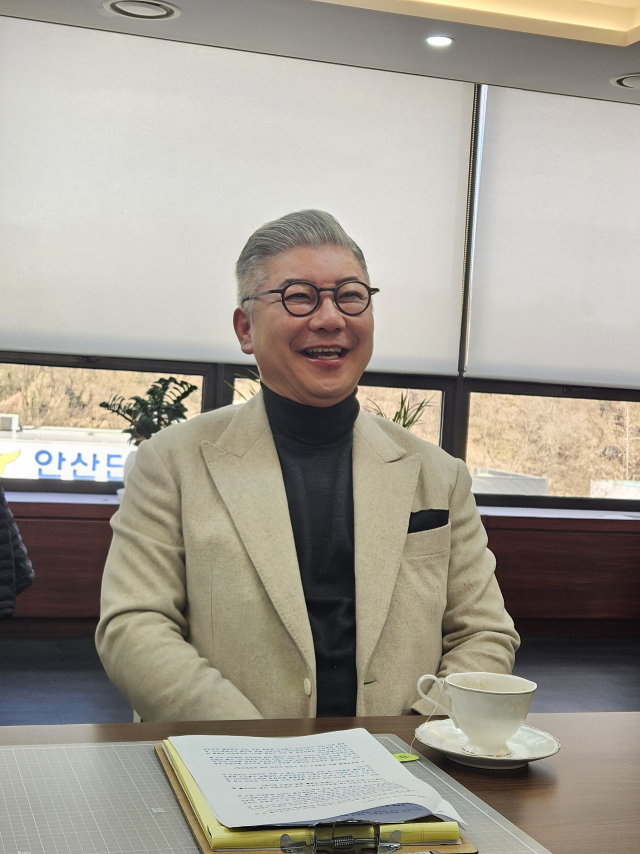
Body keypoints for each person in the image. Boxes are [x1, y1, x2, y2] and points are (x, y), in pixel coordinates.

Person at [96, 210, 519, 722]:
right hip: (230, 755)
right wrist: (255, 747)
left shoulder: (439, 474)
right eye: (299, 296)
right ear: (245, 328)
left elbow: (484, 633)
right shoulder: (171, 463)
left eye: (350, 296)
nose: (330, 318)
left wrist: (418, 736)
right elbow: (134, 625)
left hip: (404, 757)